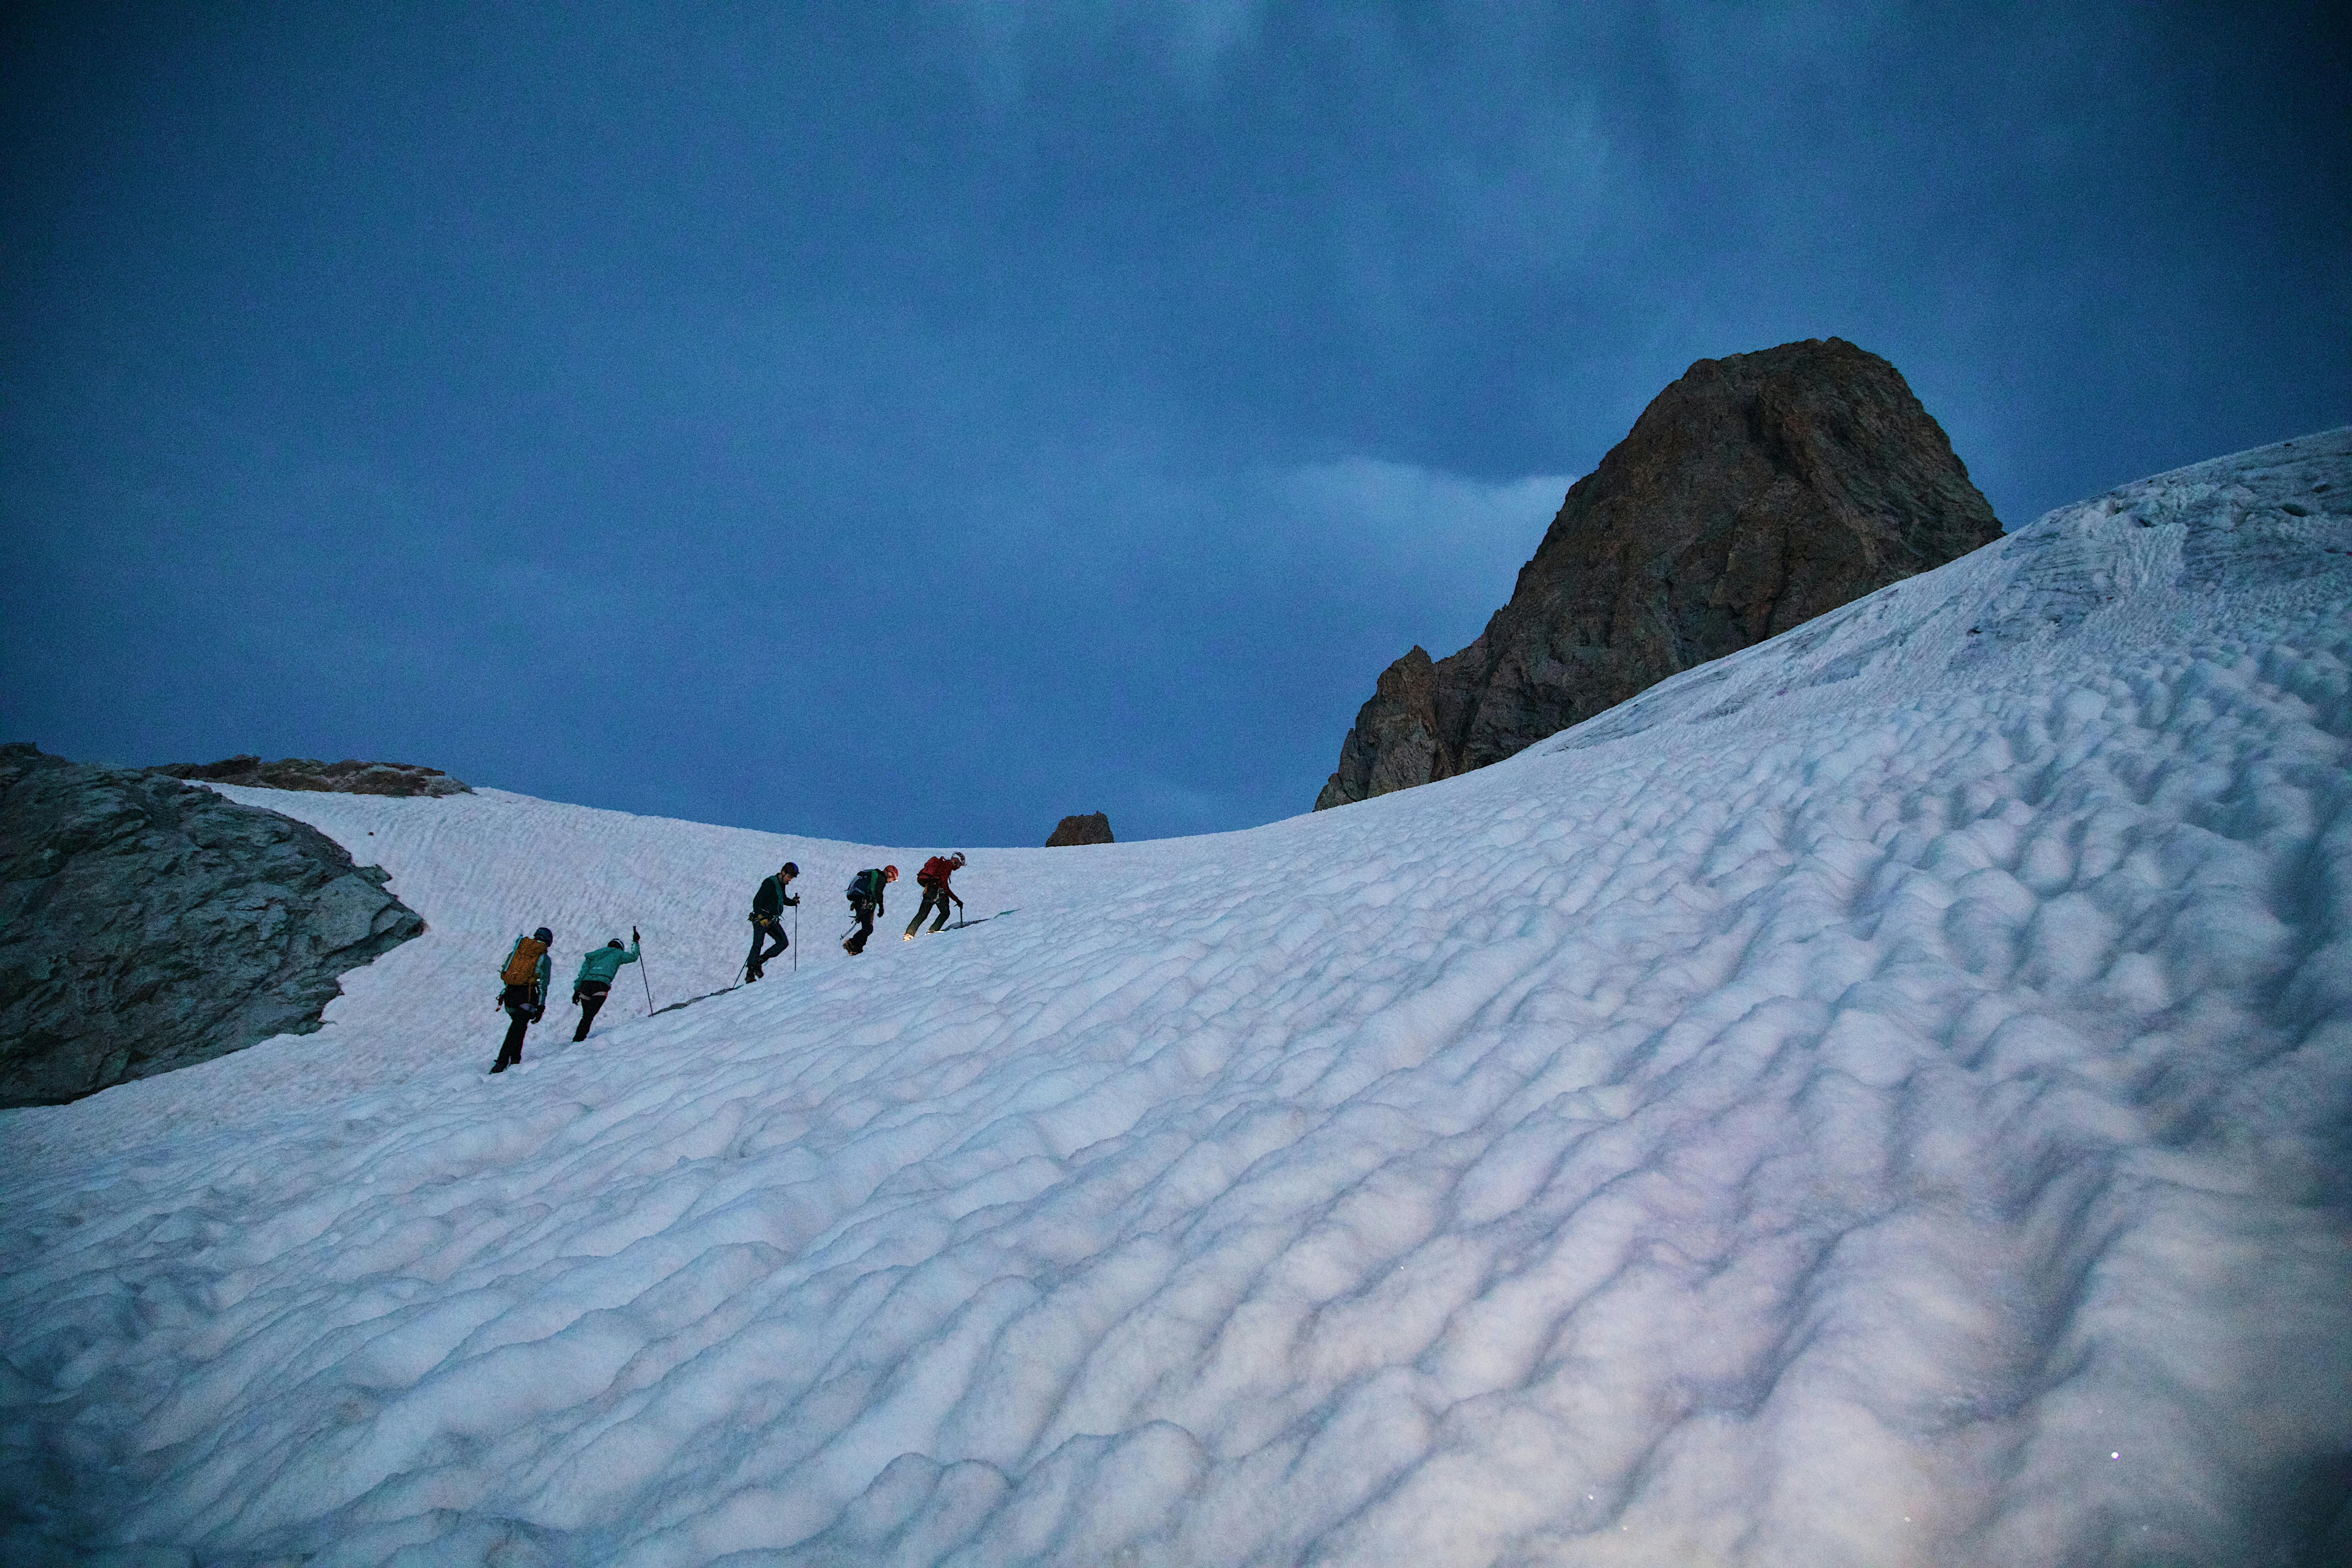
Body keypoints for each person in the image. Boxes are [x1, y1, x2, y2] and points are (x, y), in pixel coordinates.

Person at [490, 926, 553, 1073]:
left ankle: (516, 1059)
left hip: (510, 995)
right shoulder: (544, 958)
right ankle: (501, 1062)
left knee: (519, 1026)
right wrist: (541, 1006)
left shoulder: (518, 951)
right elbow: (544, 984)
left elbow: (507, 971)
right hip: (528, 996)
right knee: (516, 1028)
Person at [572, 929, 641, 1040]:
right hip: (601, 985)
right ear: (620, 948)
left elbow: (583, 973)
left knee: (587, 1015)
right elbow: (633, 957)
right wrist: (635, 942)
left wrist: (577, 991)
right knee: (589, 1015)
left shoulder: (594, 955)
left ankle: (579, 1038)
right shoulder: (618, 953)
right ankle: (578, 1040)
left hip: (586, 986)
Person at [745, 861, 800, 982]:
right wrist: (761, 917)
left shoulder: (780, 884)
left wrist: (793, 902)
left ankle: (759, 962)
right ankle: (750, 973)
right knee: (758, 944)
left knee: (783, 943)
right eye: (789, 877)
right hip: (762, 919)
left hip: (772, 920)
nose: (790, 880)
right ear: (783, 873)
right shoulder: (770, 883)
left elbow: (782, 899)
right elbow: (757, 901)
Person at [905, 852, 966, 938]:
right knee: (945, 912)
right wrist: (957, 900)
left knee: (923, 914)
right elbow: (944, 884)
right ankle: (933, 931)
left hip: (929, 890)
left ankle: (909, 934)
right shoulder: (947, 866)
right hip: (937, 891)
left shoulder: (942, 865)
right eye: (960, 864)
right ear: (956, 861)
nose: (959, 867)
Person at [843, 864, 896, 955]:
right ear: (889, 873)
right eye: (893, 878)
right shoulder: (881, 878)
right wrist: (881, 907)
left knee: (867, 927)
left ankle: (856, 948)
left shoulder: (874, 876)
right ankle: (853, 945)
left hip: (859, 900)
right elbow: (878, 892)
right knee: (868, 928)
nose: (891, 881)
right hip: (864, 902)